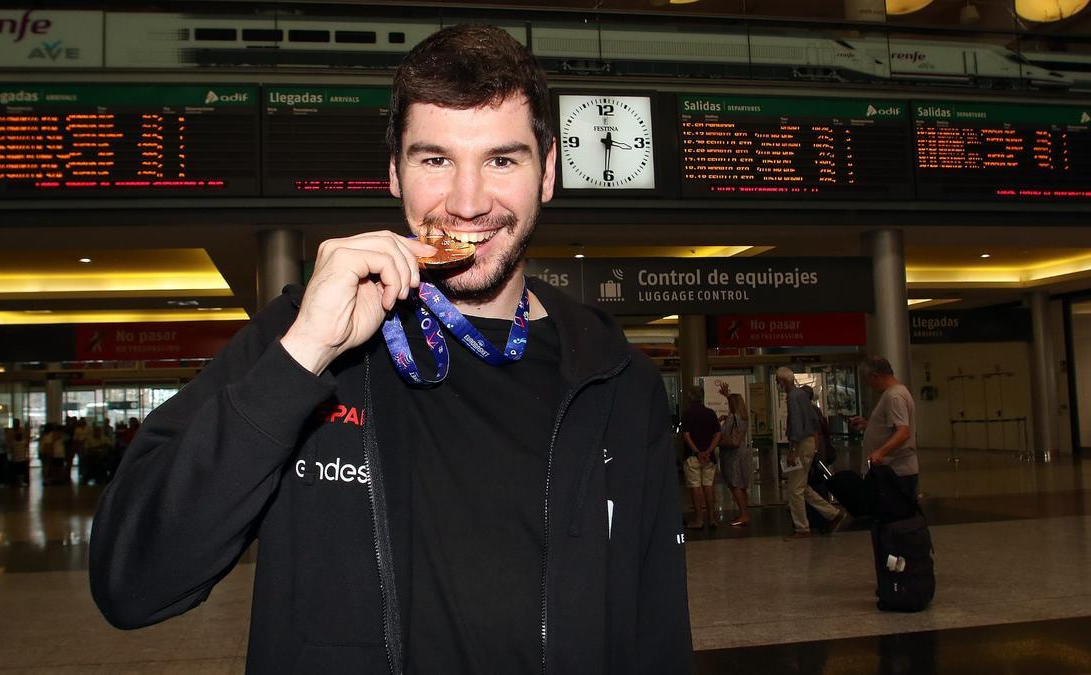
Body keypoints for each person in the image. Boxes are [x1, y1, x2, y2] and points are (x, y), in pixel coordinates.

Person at [90, 24, 692, 674]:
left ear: (546, 172)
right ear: (395, 174)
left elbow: (655, 629)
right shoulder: (302, 334)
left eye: (501, 159)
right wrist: (303, 354)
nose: (467, 202)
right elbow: (132, 582)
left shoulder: (615, 378)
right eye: (435, 159)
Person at [777, 367, 845, 540]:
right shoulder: (802, 396)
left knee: (795, 490)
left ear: (783, 382)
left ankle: (802, 528)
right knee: (801, 486)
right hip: (808, 442)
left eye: (778, 381)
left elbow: (796, 426)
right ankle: (832, 513)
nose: (778, 385)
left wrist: (792, 451)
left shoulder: (792, 397)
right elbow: (814, 421)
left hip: (800, 444)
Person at [849, 356, 919, 503]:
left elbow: (903, 432)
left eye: (868, 382)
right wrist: (869, 425)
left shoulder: (894, 396)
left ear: (874, 376)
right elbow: (892, 428)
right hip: (891, 471)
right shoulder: (895, 393)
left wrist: (880, 452)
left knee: (894, 517)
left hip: (895, 472)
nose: (869, 387)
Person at [680, 385, 720, 530]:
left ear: (690, 398)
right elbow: (717, 434)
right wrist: (708, 451)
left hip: (693, 457)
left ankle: (699, 519)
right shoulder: (710, 413)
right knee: (709, 486)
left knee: (696, 487)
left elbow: (686, 436)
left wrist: (697, 452)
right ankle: (712, 518)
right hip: (709, 457)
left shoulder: (687, 414)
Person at [718, 390, 752, 527]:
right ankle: (744, 512)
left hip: (732, 454)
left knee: (735, 484)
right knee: (741, 484)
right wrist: (727, 395)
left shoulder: (732, 417)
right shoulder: (743, 417)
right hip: (741, 451)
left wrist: (720, 422)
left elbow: (723, 433)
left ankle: (743, 515)